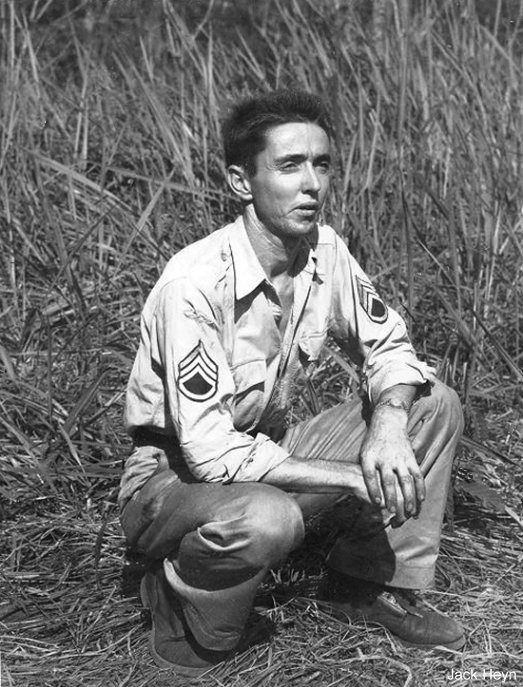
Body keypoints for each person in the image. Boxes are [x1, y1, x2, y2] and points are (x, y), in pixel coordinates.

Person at [118, 89, 465, 676]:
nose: (313, 184)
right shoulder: (195, 284)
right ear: (240, 181)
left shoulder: (323, 251)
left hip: (266, 451)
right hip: (169, 479)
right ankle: (179, 603)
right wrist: (352, 478)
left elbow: (390, 347)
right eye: (289, 166)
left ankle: (363, 584)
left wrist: (386, 426)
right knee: (267, 519)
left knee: (433, 404)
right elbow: (208, 453)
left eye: (321, 164)